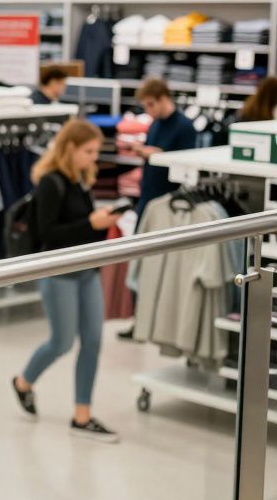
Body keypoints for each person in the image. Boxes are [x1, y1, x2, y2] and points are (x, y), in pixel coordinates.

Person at [11, 120, 121, 443]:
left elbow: (84, 230)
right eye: (88, 151)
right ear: (70, 148)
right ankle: (23, 381)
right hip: (59, 274)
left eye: (96, 152)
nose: (93, 158)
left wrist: (101, 223)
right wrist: (91, 222)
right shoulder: (51, 183)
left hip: (87, 272)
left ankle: (82, 415)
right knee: (61, 342)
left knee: (93, 341)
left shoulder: (81, 181)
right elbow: (48, 235)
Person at [129, 78, 197, 217]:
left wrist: (160, 155)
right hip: (148, 192)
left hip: (169, 199)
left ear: (164, 98)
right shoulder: (155, 124)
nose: (148, 110)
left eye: (150, 105)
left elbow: (188, 166)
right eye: (145, 106)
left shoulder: (185, 126)